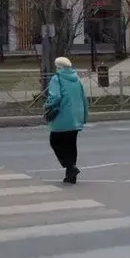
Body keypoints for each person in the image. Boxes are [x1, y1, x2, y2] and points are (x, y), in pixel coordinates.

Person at [44, 56, 89, 184]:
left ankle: (71, 167)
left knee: (55, 141)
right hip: (76, 116)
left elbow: (55, 97)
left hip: (62, 116)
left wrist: (47, 105)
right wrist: (84, 115)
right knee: (71, 144)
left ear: (58, 66)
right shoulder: (77, 79)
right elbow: (83, 98)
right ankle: (71, 175)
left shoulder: (56, 78)